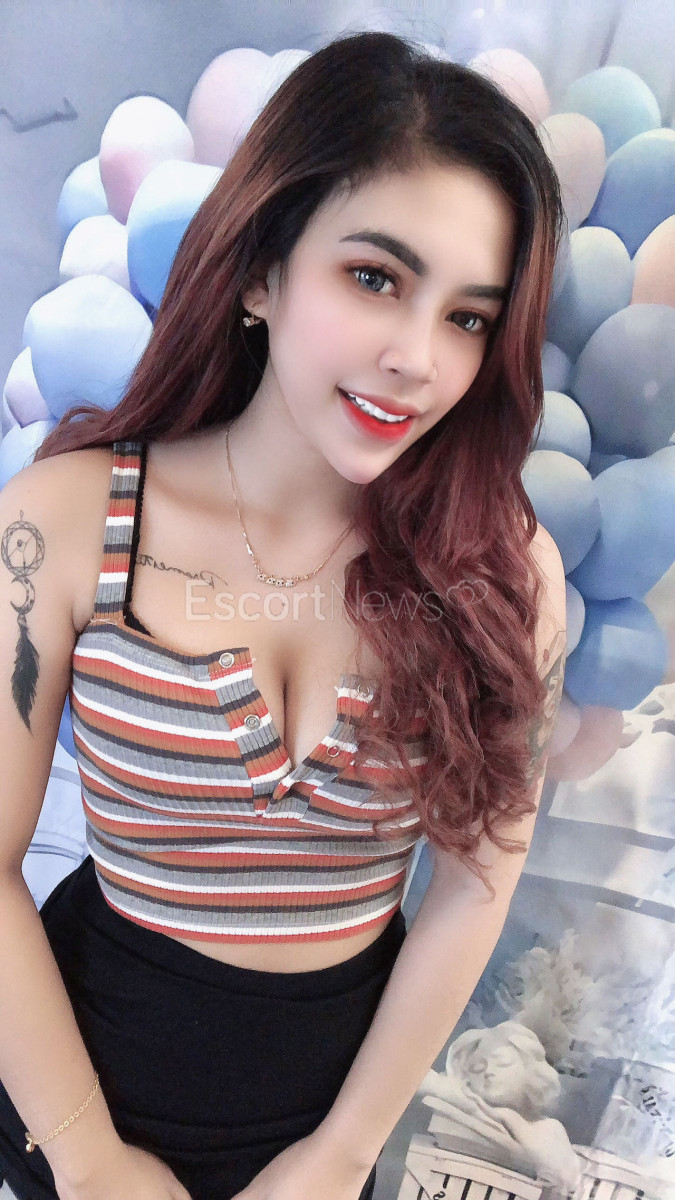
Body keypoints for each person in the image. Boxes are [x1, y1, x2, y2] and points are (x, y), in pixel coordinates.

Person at [0, 28, 567, 1200]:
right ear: (262, 271)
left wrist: (339, 1157)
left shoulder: (505, 570)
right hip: (78, 1100)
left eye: (468, 317)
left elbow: (475, 885)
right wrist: (89, 1160)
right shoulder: (64, 523)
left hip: (333, 1123)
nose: (418, 358)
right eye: (376, 278)